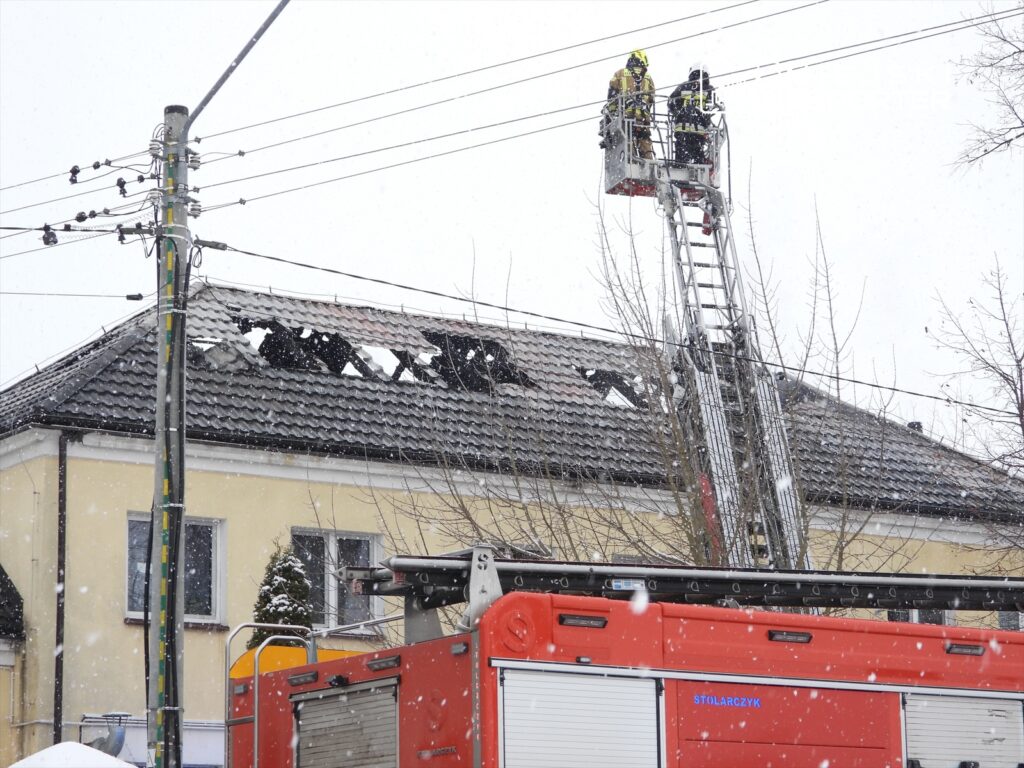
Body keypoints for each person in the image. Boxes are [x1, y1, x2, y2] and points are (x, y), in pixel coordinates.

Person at [602, 50, 655, 160]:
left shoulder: (619, 74)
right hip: (643, 121)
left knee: (628, 146)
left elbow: (612, 96)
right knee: (646, 147)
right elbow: (651, 98)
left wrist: (611, 114)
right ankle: (649, 166)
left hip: (626, 118)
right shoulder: (648, 78)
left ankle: (631, 160)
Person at [669, 64, 715, 165]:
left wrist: (679, 112)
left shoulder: (683, 86)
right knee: (698, 154)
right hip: (699, 131)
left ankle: (681, 167)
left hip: (682, 128)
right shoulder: (709, 89)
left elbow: (671, 102)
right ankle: (699, 165)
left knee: (681, 156)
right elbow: (712, 107)